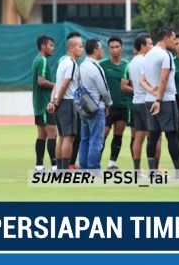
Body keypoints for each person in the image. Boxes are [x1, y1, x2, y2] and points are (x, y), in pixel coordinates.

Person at [141, 26, 179, 179]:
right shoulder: (166, 55)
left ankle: (152, 172)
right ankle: (177, 172)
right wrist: (159, 99)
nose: (175, 42)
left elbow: (142, 80)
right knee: (172, 135)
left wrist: (152, 92)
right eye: (174, 39)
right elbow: (164, 79)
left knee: (153, 136)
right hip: (165, 100)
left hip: (150, 100)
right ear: (166, 38)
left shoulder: (147, 55)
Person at [121, 33, 158, 171]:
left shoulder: (131, 63)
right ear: (142, 46)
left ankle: (137, 169)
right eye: (149, 44)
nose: (152, 46)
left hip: (136, 102)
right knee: (155, 137)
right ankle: (153, 169)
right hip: (147, 101)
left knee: (139, 136)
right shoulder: (147, 61)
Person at [47, 36, 84, 170]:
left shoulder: (63, 62)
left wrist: (53, 102)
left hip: (60, 102)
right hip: (67, 102)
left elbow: (56, 85)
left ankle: (60, 170)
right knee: (69, 138)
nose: (82, 49)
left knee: (62, 137)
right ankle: (65, 170)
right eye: (80, 46)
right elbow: (63, 85)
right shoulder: (72, 64)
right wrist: (56, 103)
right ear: (71, 48)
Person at [77, 39, 112, 170]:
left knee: (84, 139)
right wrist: (109, 103)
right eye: (101, 48)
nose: (103, 50)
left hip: (83, 106)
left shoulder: (82, 66)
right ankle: (93, 169)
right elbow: (104, 89)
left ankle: (83, 168)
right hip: (97, 107)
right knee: (96, 140)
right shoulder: (96, 67)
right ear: (95, 51)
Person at [100, 37, 129, 169]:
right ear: (108, 49)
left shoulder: (127, 65)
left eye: (117, 47)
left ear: (121, 48)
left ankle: (112, 162)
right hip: (107, 107)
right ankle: (95, 162)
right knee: (103, 134)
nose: (115, 49)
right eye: (112, 47)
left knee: (118, 133)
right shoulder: (102, 65)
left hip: (123, 106)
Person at [31, 35, 57, 171]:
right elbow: (41, 81)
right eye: (51, 45)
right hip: (45, 104)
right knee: (53, 134)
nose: (53, 48)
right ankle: (55, 167)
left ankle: (39, 167)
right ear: (43, 46)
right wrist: (56, 86)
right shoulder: (42, 61)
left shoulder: (36, 60)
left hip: (38, 104)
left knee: (42, 135)